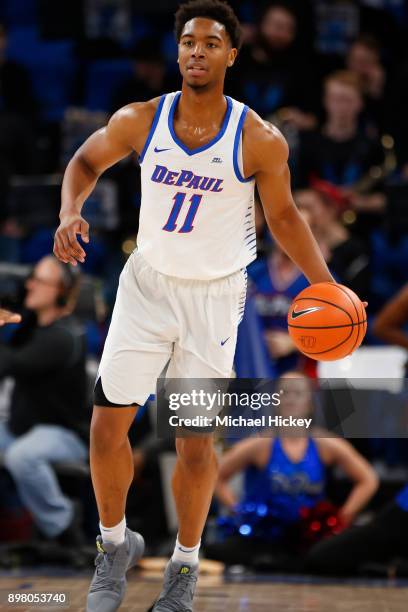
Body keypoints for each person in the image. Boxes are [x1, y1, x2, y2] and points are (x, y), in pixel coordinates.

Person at [52, 1, 359, 610]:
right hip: (146, 289)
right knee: (107, 425)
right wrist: (70, 210)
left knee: (195, 443)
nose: (197, 50)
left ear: (231, 55)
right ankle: (114, 545)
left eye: (211, 43)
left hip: (214, 302)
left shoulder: (258, 138)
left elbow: (285, 218)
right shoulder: (141, 119)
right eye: (188, 41)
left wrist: (327, 286)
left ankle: (185, 569)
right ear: (178, 52)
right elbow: (85, 162)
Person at [206, 371, 378, 568]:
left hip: (309, 539)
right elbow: (214, 475)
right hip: (265, 539)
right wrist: (239, 510)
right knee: (221, 551)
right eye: (284, 393)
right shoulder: (261, 443)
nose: (290, 399)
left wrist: (343, 516)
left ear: (310, 403)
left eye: (298, 393)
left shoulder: (324, 443)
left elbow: (368, 479)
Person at [0, 256, 89, 547]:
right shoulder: (32, 328)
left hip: (63, 434)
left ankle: (63, 524)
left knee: (22, 456)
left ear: (61, 290)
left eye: (39, 280)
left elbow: (11, 363)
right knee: (20, 448)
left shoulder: (64, 336)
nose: (30, 285)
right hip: (22, 429)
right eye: (32, 278)